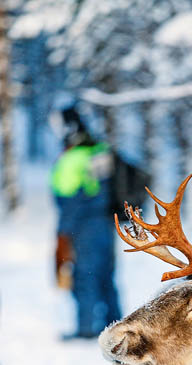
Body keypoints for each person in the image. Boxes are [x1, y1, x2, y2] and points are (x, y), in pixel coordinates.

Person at [50, 106, 122, 340]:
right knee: (106, 276)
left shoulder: (72, 159)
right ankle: (117, 326)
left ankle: (87, 328)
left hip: (83, 228)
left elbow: (69, 201)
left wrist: (62, 234)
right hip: (106, 224)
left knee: (84, 276)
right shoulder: (101, 150)